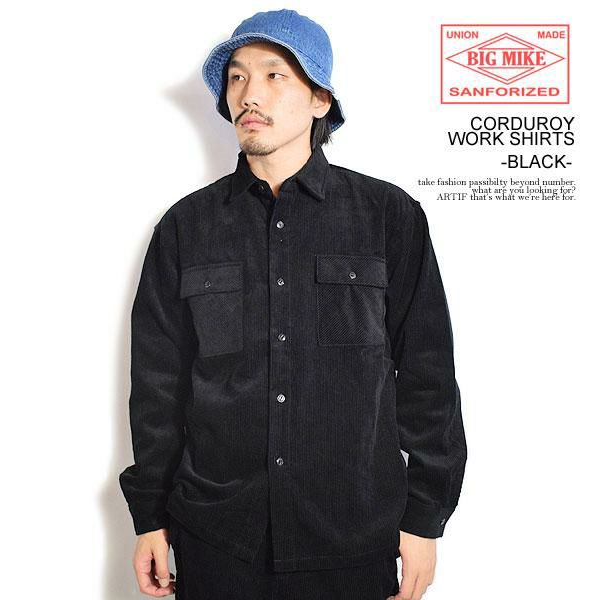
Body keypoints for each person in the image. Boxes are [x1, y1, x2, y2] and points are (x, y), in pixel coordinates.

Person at [119, 9, 467, 600]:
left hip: (354, 538)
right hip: (218, 540)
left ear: (320, 100)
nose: (248, 94)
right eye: (236, 77)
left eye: (274, 75)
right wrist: (149, 515)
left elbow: (428, 376)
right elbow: (158, 386)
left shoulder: (389, 217)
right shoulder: (185, 228)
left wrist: (425, 518)